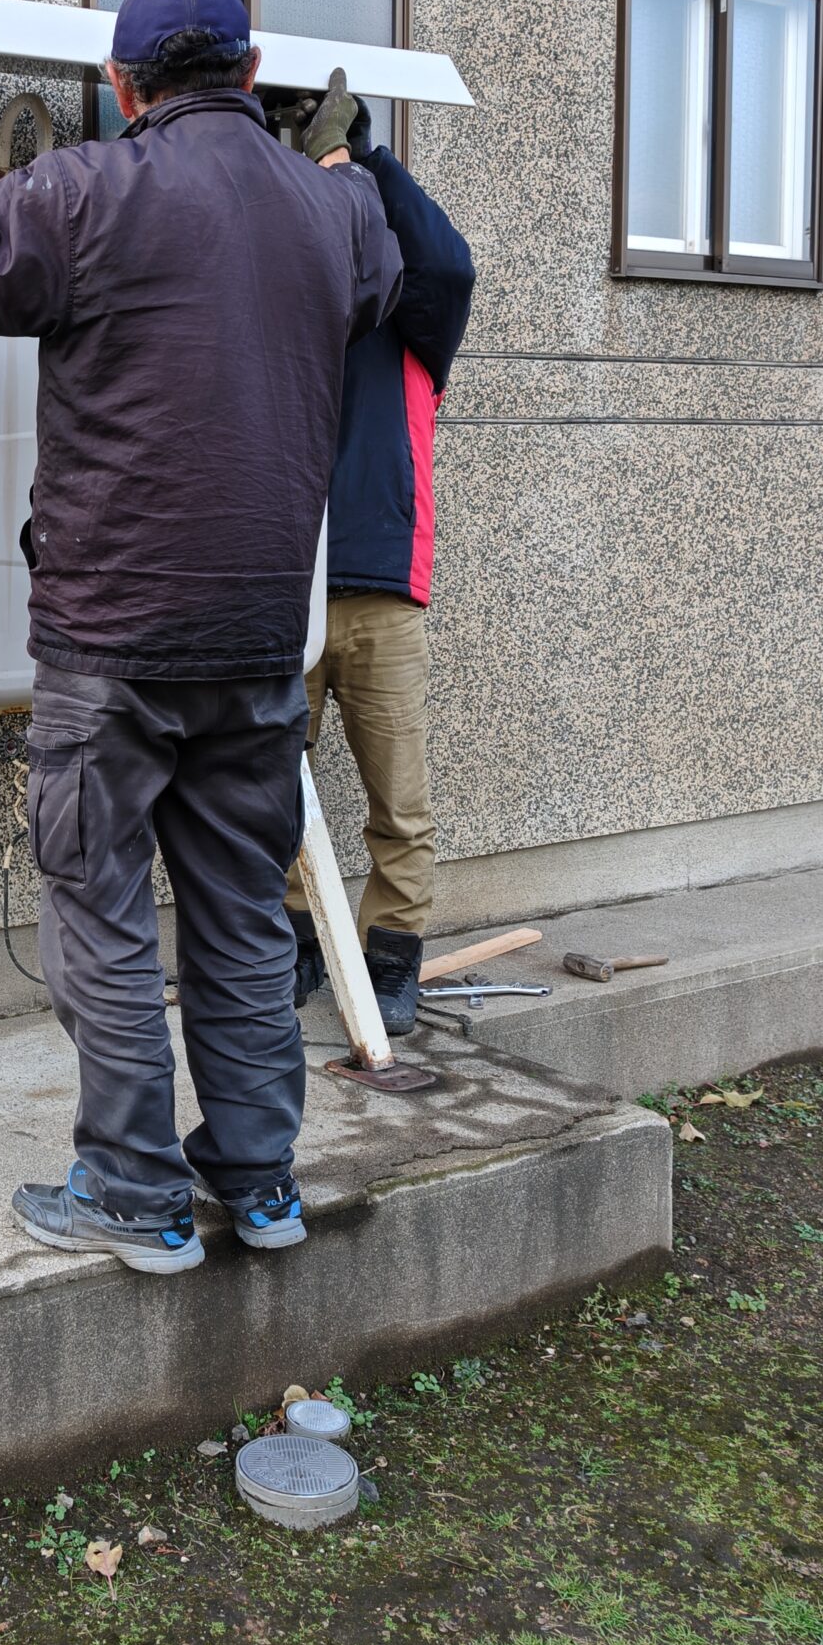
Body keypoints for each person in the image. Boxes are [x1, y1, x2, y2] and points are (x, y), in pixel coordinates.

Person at [0, 0, 401, 1276]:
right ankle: (259, 1182)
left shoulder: (86, 193)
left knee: (102, 910)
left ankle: (135, 1194)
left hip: (115, 642)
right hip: (261, 641)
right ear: (251, 75)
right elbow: (376, 252)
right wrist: (333, 158)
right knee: (244, 913)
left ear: (123, 90)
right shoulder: (333, 210)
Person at [279, 92, 475, 1036]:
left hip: (383, 590)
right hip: (286, 586)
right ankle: (293, 948)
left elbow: (448, 260)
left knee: (400, 802)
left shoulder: (416, 319)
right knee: (272, 789)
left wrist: (368, 159)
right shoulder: (295, 316)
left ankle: (391, 960)